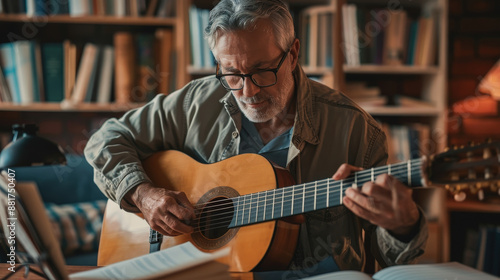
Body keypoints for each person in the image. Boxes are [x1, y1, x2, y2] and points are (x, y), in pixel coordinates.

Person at [84, 0, 427, 276]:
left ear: (292, 55)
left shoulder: (356, 131)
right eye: (231, 74)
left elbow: (390, 262)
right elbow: (105, 139)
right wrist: (144, 195)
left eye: (262, 71)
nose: (247, 91)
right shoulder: (195, 102)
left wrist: (403, 226)